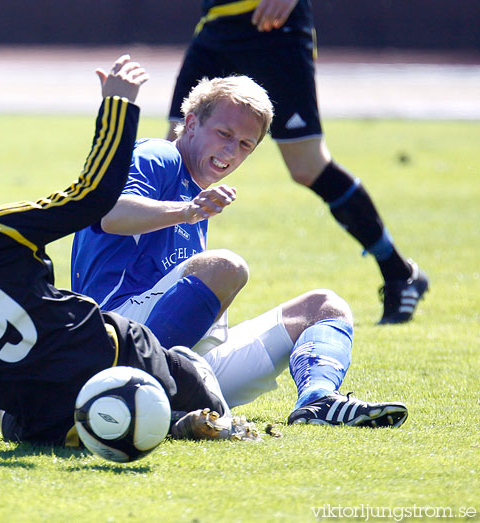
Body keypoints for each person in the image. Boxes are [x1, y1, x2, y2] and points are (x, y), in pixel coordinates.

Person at [0, 55, 257, 448]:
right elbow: (92, 197)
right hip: (118, 353)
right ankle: (184, 417)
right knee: (190, 380)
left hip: (42, 420)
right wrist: (118, 106)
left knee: (60, 419)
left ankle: (161, 421)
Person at [71, 74, 408, 427]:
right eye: (224, 134)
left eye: (246, 144)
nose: (232, 152)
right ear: (190, 123)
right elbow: (111, 213)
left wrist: (191, 210)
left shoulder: (195, 191)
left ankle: (317, 401)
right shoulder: (161, 155)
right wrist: (186, 211)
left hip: (182, 363)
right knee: (225, 266)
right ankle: (130, 395)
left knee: (324, 307)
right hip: (113, 343)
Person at [165, 0, 428, 325]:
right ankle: (152, 285)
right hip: (217, 23)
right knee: (177, 156)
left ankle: (399, 273)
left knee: (307, 166)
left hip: (276, 25)